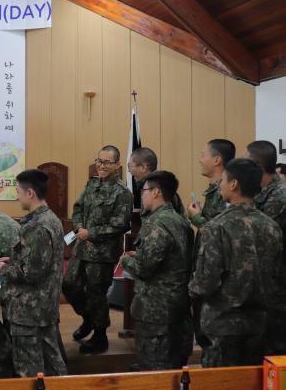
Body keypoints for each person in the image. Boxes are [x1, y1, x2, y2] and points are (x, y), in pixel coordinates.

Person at [189, 158, 283, 367]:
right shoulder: (271, 227)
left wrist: (189, 292)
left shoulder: (217, 227)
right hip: (262, 325)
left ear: (233, 184)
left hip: (223, 326)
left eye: (223, 179)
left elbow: (206, 282)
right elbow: (277, 277)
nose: (220, 184)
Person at [0, 169, 67, 377]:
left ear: (30, 193)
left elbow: (32, 273)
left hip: (30, 311)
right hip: (44, 307)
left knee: (30, 371)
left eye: (17, 191)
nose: (17, 196)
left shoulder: (38, 226)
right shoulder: (51, 219)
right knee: (53, 365)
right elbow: (42, 262)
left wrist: (3, 269)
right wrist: (15, 260)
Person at [63, 145, 133, 354]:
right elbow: (77, 208)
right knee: (69, 285)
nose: (101, 166)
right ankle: (88, 319)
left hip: (102, 254)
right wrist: (78, 228)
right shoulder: (92, 184)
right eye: (99, 161)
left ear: (117, 165)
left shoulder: (122, 193)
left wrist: (91, 233)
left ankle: (100, 336)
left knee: (96, 293)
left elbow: (120, 224)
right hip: (81, 248)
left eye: (106, 162)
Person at [121, 171, 193, 370]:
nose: (141, 196)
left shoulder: (155, 223)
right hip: (178, 304)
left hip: (156, 309)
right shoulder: (180, 221)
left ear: (156, 192)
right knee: (175, 365)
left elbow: (144, 269)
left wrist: (126, 260)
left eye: (143, 191)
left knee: (154, 368)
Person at [245, 140, 286, 354]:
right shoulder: (262, 193)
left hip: (277, 286)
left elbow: (256, 236)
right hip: (264, 286)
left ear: (258, 167)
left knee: (275, 350)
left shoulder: (279, 197)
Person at [187, 139, 235, 228]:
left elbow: (221, 233)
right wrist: (201, 213)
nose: (199, 160)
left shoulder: (224, 191)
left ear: (216, 160)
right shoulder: (216, 189)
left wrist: (196, 217)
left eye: (203, 155)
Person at [127, 147, 186, 217]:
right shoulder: (145, 186)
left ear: (143, 167)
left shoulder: (161, 188)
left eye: (130, 166)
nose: (128, 170)